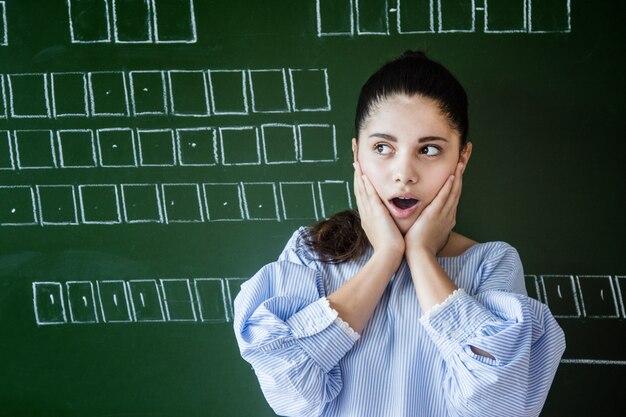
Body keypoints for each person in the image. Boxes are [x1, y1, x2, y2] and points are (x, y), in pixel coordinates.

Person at [233, 50, 565, 417]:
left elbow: (499, 405)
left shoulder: (490, 264)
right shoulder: (311, 255)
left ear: (462, 159)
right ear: (357, 154)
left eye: (429, 149)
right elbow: (291, 393)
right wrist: (386, 256)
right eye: (382, 148)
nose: (404, 172)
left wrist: (420, 255)